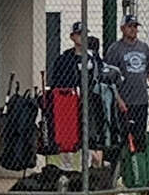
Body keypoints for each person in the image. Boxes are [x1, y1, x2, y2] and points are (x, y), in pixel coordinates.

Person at [50, 21, 125, 168]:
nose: (82, 38)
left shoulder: (93, 58)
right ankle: (67, 168)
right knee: (69, 134)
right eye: (79, 34)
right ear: (72, 37)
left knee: (89, 134)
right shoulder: (64, 58)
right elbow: (56, 82)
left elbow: (104, 78)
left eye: (85, 34)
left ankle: (87, 169)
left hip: (89, 100)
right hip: (69, 102)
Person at [105, 14, 149, 153]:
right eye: (130, 26)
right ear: (122, 28)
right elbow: (109, 78)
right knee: (122, 137)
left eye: (135, 27)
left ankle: (138, 168)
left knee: (139, 137)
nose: (133, 30)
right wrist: (118, 100)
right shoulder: (115, 49)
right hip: (124, 102)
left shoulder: (144, 47)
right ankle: (121, 168)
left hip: (141, 100)